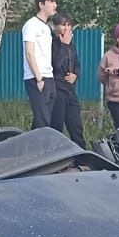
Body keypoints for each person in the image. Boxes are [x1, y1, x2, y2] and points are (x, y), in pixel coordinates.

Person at [22, 0, 58, 129]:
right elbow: (29, 53)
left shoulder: (46, 28)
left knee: (44, 120)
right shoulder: (31, 25)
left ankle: (30, 148)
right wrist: (38, 78)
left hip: (48, 76)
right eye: (51, 1)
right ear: (41, 4)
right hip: (36, 77)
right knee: (42, 119)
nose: (55, 5)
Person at [47, 12, 84, 146]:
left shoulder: (71, 44)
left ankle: (82, 157)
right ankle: (55, 158)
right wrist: (64, 46)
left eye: (69, 25)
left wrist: (75, 75)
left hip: (70, 90)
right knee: (57, 126)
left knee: (76, 125)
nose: (66, 28)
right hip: (57, 89)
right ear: (55, 27)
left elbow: (77, 64)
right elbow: (55, 64)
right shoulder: (52, 43)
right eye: (63, 25)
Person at [99, 22, 119, 149]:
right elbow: (101, 76)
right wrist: (113, 85)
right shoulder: (109, 56)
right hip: (117, 100)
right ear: (118, 38)